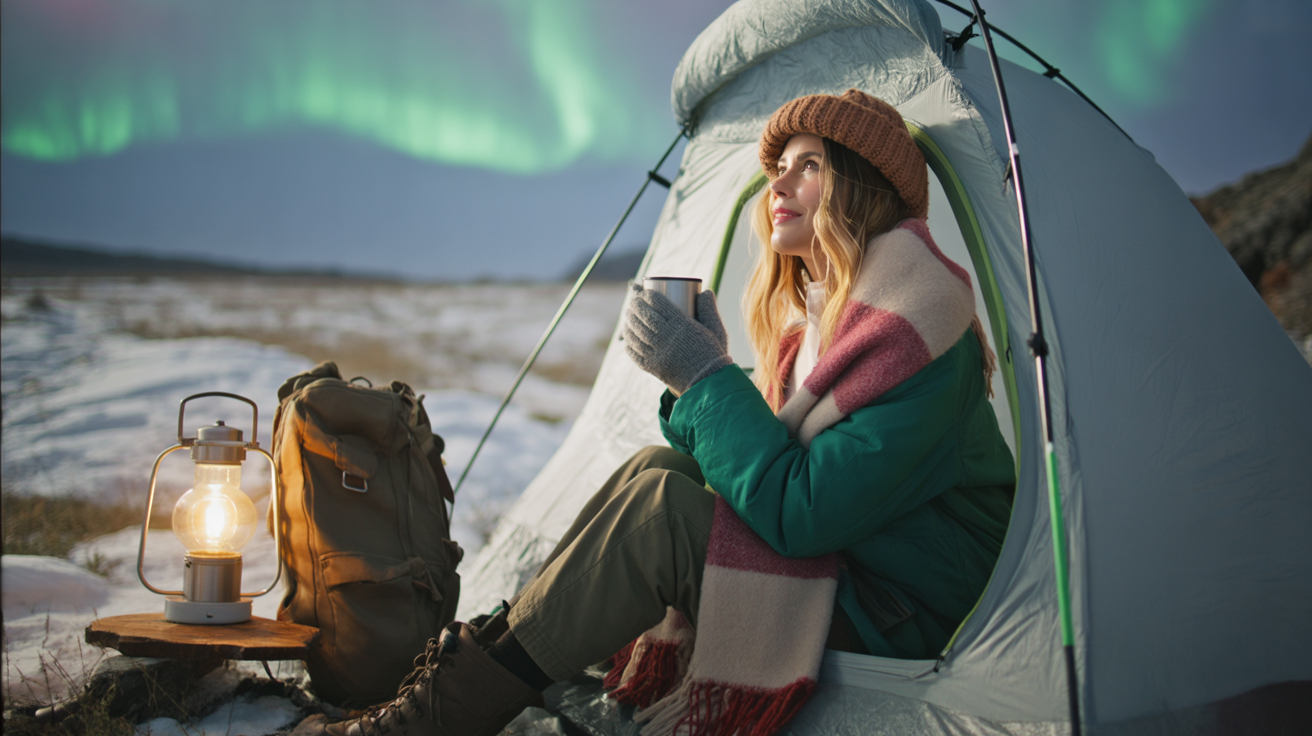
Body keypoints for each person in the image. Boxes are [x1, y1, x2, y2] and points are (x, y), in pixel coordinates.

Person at [294, 89, 1015, 736]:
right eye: (776, 168)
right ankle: (479, 665)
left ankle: (432, 721)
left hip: (896, 613)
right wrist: (701, 377)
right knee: (657, 468)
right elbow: (761, 478)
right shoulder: (823, 330)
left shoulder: (922, 335)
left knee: (665, 511)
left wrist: (704, 377)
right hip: (847, 574)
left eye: (808, 166)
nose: (779, 185)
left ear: (862, 187)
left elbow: (801, 511)